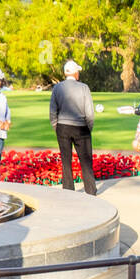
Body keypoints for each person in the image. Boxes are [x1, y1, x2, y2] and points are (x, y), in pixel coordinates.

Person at [49, 59, 97, 194]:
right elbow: (89, 112)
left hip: (63, 126)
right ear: (75, 73)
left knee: (66, 160)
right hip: (81, 126)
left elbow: (53, 110)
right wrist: (89, 127)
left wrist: (56, 126)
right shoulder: (83, 87)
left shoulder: (58, 88)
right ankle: (90, 190)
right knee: (86, 160)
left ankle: (68, 190)